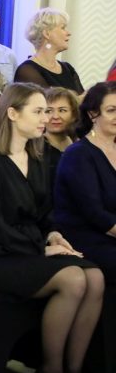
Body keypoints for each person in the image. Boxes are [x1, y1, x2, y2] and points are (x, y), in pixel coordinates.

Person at [0, 82, 104, 373]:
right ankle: (51, 372)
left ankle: (73, 371)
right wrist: (40, 249)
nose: (46, 118)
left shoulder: (38, 157)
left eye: (48, 111)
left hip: (27, 249)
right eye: (39, 111)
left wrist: (53, 235)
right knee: (73, 279)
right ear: (13, 114)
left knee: (95, 277)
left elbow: (45, 214)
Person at [55, 81, 116, 285]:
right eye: (111, 110)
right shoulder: (78, 154)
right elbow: (95, 214)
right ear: (92, 114)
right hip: (88, 237)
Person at [14, 8, 84, 96]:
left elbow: (84, 102)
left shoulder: (68, 69)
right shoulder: (27, 70)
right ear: (47, 34)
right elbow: (47, 102)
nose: (68, 33)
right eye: (63, 28)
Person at [43, 87, 79, 188]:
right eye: (48, 111)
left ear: (74, 115)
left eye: (62, 110)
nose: (55, 116)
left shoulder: (79, 145)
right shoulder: (36, 148)